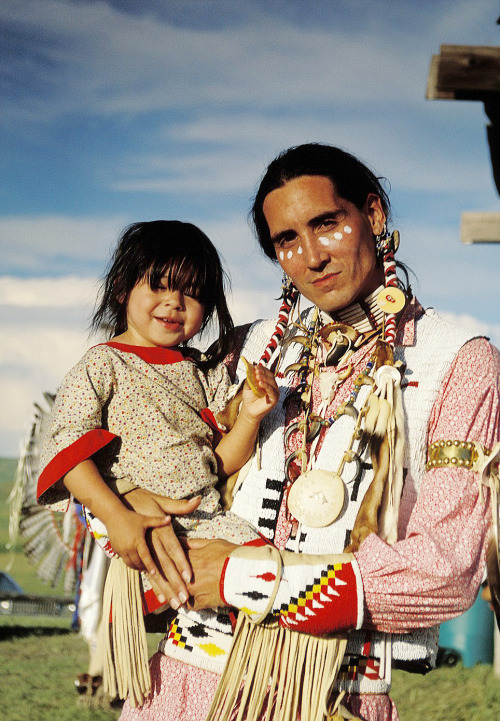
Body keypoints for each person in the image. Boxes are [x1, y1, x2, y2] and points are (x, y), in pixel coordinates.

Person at [126, 145, 500, 721]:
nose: (311, 256)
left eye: (326, 224)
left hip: (332, 696)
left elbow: (446, 568)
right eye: (287, 240)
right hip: (185, 686)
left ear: (373, 215)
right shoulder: (242, 353)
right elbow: (142, 458)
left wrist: (243, 576)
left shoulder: (459, 364)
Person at [36, 220, 278, 708]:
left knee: (267, 580)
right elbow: (69, 451)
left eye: (192, 293)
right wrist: (118, 515)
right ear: (124, 287)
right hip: (144, 523)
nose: (175, 303)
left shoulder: (199, 374)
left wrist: (250, 417)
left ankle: (236, 692)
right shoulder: (102, 364)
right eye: (161, 286)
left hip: (209, 516)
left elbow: (220, 462)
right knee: (260, 591)